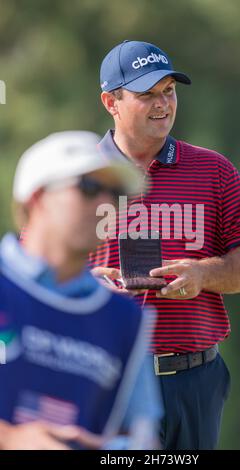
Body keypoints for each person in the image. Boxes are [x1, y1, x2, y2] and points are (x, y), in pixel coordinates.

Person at [90, 40, 240, 450]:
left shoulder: (214, 170)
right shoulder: (78, 172)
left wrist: (204, 274)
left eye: (169, 91)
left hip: (195, 380)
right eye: (147, 94)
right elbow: (33, 269)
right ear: (110, 102)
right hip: (104, 376)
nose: (163, 104)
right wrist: (84, 286)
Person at [0, 130, 162, 450]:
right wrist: (12, 439)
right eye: (88, 187)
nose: (105, 205)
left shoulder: (126, 319)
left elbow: (143, 439)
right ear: (37, 197)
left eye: (114, 194)